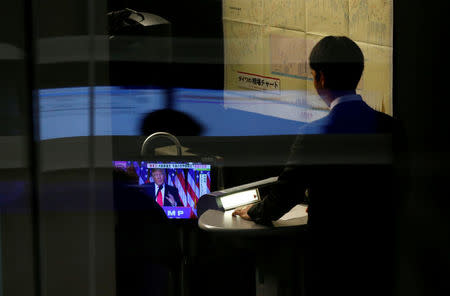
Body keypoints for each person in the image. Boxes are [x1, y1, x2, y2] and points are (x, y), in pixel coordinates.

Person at [233, 36, 401, 296]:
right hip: (380, 259)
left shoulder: (315, 135)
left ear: (320, 78)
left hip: (330, 264)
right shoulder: (391, 127)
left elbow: (282, 198)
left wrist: (253, 211)